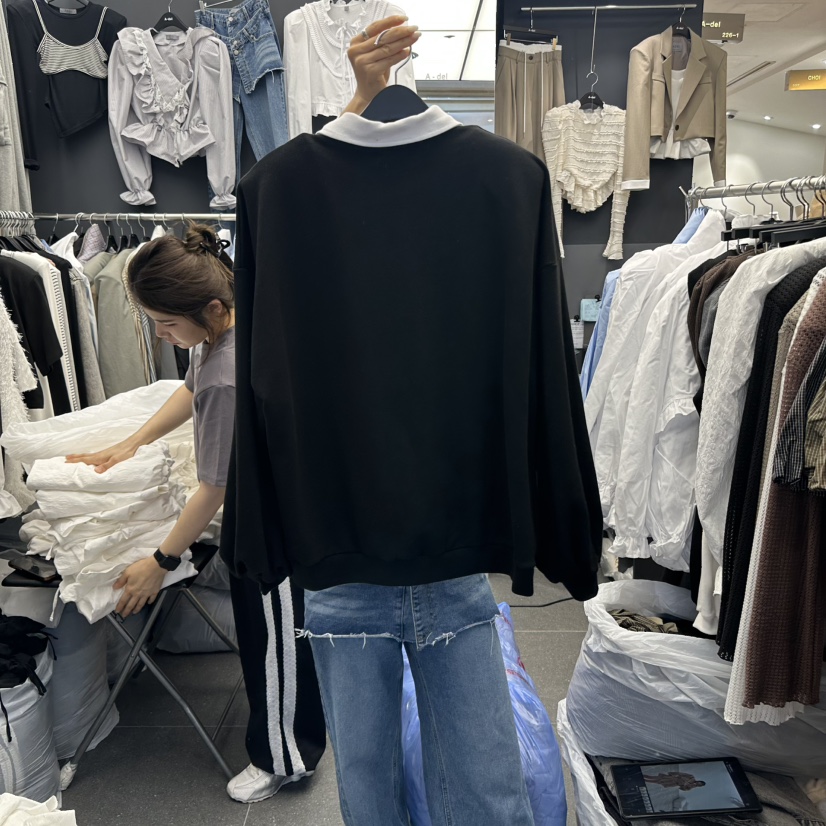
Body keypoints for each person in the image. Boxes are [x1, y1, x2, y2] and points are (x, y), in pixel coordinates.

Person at [66, 225, 327, 803]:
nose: (161, 334)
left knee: (277, 642)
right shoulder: (225, 330)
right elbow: (190, 388)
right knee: (270, 640)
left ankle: (286, 758)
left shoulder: (228, 373)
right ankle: (286, 737)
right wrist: (130, 442)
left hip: (274, 527)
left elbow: (213, 488)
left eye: (165, 323)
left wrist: (160, 561)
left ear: (209, 308)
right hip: (270, 512)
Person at [643, 772, 707, 792]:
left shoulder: (691, 787)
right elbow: (681, 774)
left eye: (699, 785)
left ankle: (644, 780)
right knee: (652, 777)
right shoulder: (691, 777)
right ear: (699, 781)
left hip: (672, 783)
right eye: (699, 783)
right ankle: (641, 775)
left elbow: (682, 789)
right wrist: (672, 774)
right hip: (670, 778)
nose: (698, 784)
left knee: (655, 782)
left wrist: (687, 786)